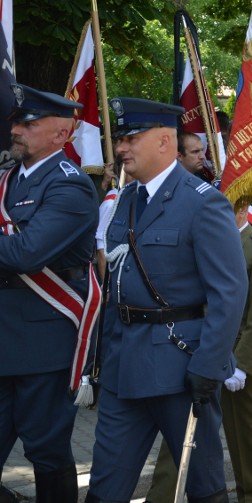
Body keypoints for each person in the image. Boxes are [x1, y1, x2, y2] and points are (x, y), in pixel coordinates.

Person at [86, 98, 248, 503]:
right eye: (119, 139)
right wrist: (99, 357)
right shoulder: (126, 198)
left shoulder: (202, 201)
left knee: (202, 486)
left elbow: (229, 291)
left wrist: (210, 365)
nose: (121, 148)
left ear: (163, 141)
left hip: (181, 366)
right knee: (105, 486)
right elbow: (115, 285)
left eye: (130, 138)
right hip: (124, 364)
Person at [0, 84, 99, 502]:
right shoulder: (7, 180)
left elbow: (25, 254)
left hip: (45, 335)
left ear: (61, 135)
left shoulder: (70, 187)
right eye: (16, 121)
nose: (16, 129)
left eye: (29, 123)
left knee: (45, 448)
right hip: (6, 333)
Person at [144, 204, 252, 503]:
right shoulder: (202, 246)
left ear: (242, 211)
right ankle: (161, 497)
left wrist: (241, 364)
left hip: (241, 360)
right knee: (179, 435)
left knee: (245, 439)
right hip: (199, 355)